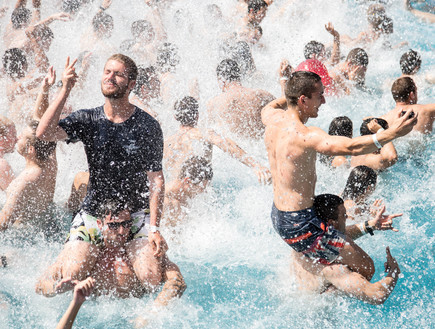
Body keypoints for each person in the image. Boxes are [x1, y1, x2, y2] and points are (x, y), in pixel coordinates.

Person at [262, 70, 416, 280]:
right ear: (303, 100)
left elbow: (269, 106)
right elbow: (351, 147)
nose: (324, 100)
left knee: (338, 225)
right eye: (319, 96)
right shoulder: (305, 135)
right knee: (367, 269)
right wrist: (392, 134)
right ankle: (323, 282)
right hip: (302, 225)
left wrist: (291, 92)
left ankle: (314, 261)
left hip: (279, 216)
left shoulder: (272, 119)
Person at [35, 54, 168, 289]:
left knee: (151, 277)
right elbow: (44, 133)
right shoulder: (88, 119)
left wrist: (155, 228)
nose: (110, 77)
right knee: (73, 272)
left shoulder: (147, 125)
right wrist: (65, 89)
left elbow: (156, 178)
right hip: (95, 211)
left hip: (135, 212)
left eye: (118, 74)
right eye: (107, 71)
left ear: (131, 83)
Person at [37, 201, 186, 327]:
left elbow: (177, 281)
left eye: (126, 224)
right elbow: (41, 284)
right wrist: (56, 290)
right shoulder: (88, 255)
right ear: (99, 224)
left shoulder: (139, 255)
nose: (121, 231)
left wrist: (150, 314)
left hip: (133, 319)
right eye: (114, 226)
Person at [292, 194, 401, 305]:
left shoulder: (302, 241)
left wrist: (370, 225)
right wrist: (394, 271)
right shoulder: (334, 271)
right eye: (344, 215)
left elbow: (334, 236)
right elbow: (377, 295)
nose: (347, 217)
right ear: (331, 222)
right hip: (318, 311)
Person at [0, 67, 58, 232]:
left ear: (30, 149)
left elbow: (4, 223)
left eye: (21, 137)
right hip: (49, 224)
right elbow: (41, 121)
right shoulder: (49, 162)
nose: (17, 138)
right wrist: (44, 89)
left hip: (27, 233)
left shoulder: (23, 181)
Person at [165, 96, 271, 184]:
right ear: (197, 115)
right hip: (198, 192)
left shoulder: (166, 142)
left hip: (172, 194)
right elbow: (226, 144)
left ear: (175, 116)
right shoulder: (202, 134)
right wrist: (255, 165)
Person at [207, 59, 275, 140]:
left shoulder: (215, 103)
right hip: (263, 147)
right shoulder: (261, 95)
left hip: (235, 150)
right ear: (238, 75)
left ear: (221, 80)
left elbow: (210, 135)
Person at [164, 156, 213, 225]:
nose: (204, 191)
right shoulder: (166, 202)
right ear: (187, 181)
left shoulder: (183, 196)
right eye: (202, 188)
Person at [0, 116, 17, 191]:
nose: (16, 139)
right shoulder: (2, 164)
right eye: (13, 135)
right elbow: (14, 197)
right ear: (1, 138)